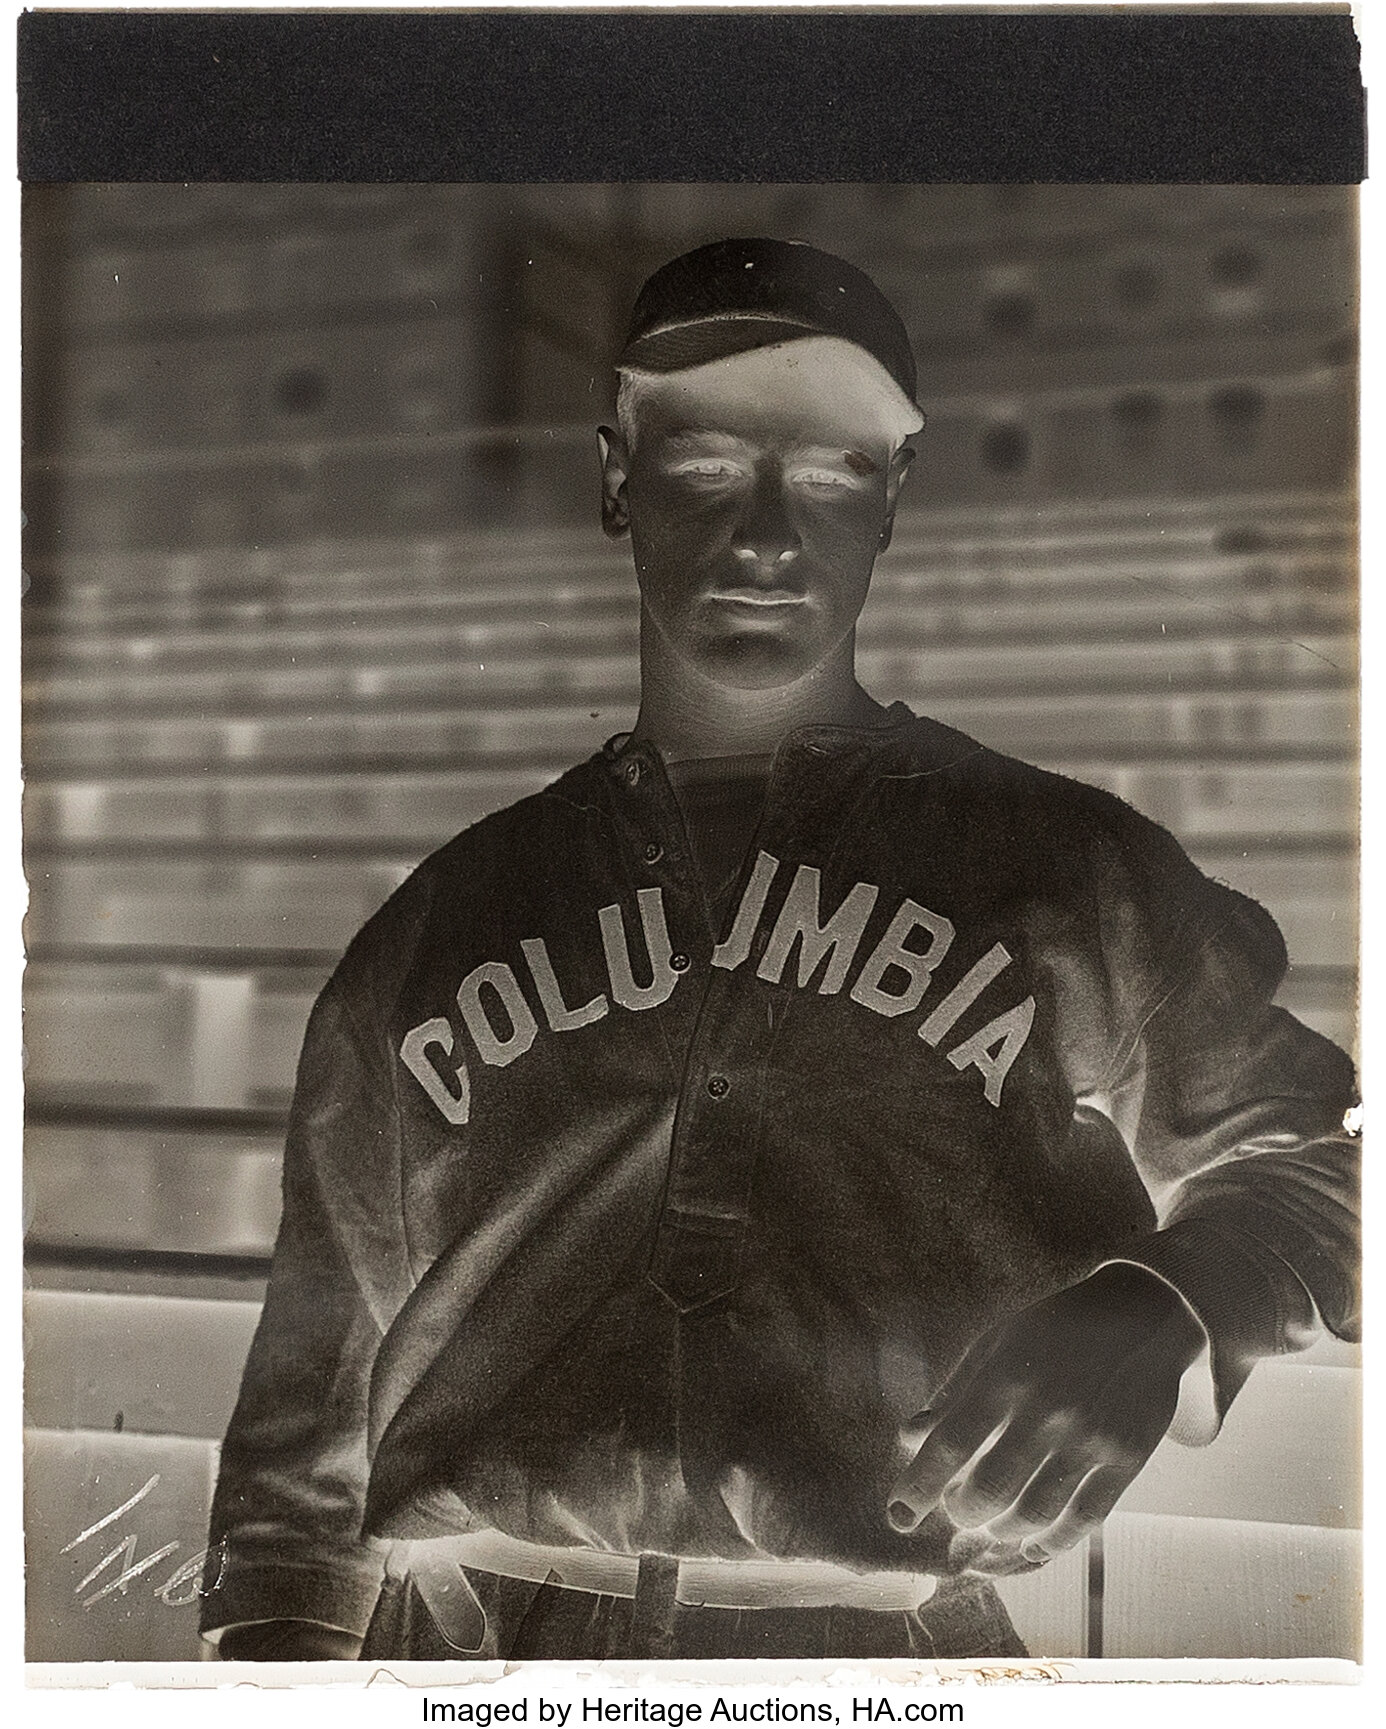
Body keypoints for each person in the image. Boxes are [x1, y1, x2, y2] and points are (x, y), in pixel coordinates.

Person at [203, 238, 1359, 1663]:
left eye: (827, 471)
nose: (765, 530)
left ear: (891, 496)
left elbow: (1326, 1159)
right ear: (615, 477)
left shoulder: (1063, 858)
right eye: (702, 468)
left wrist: (1167, 1298)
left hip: (874, 1657)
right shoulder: (440, 917)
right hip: (465, 1652)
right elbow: (307, 1417)